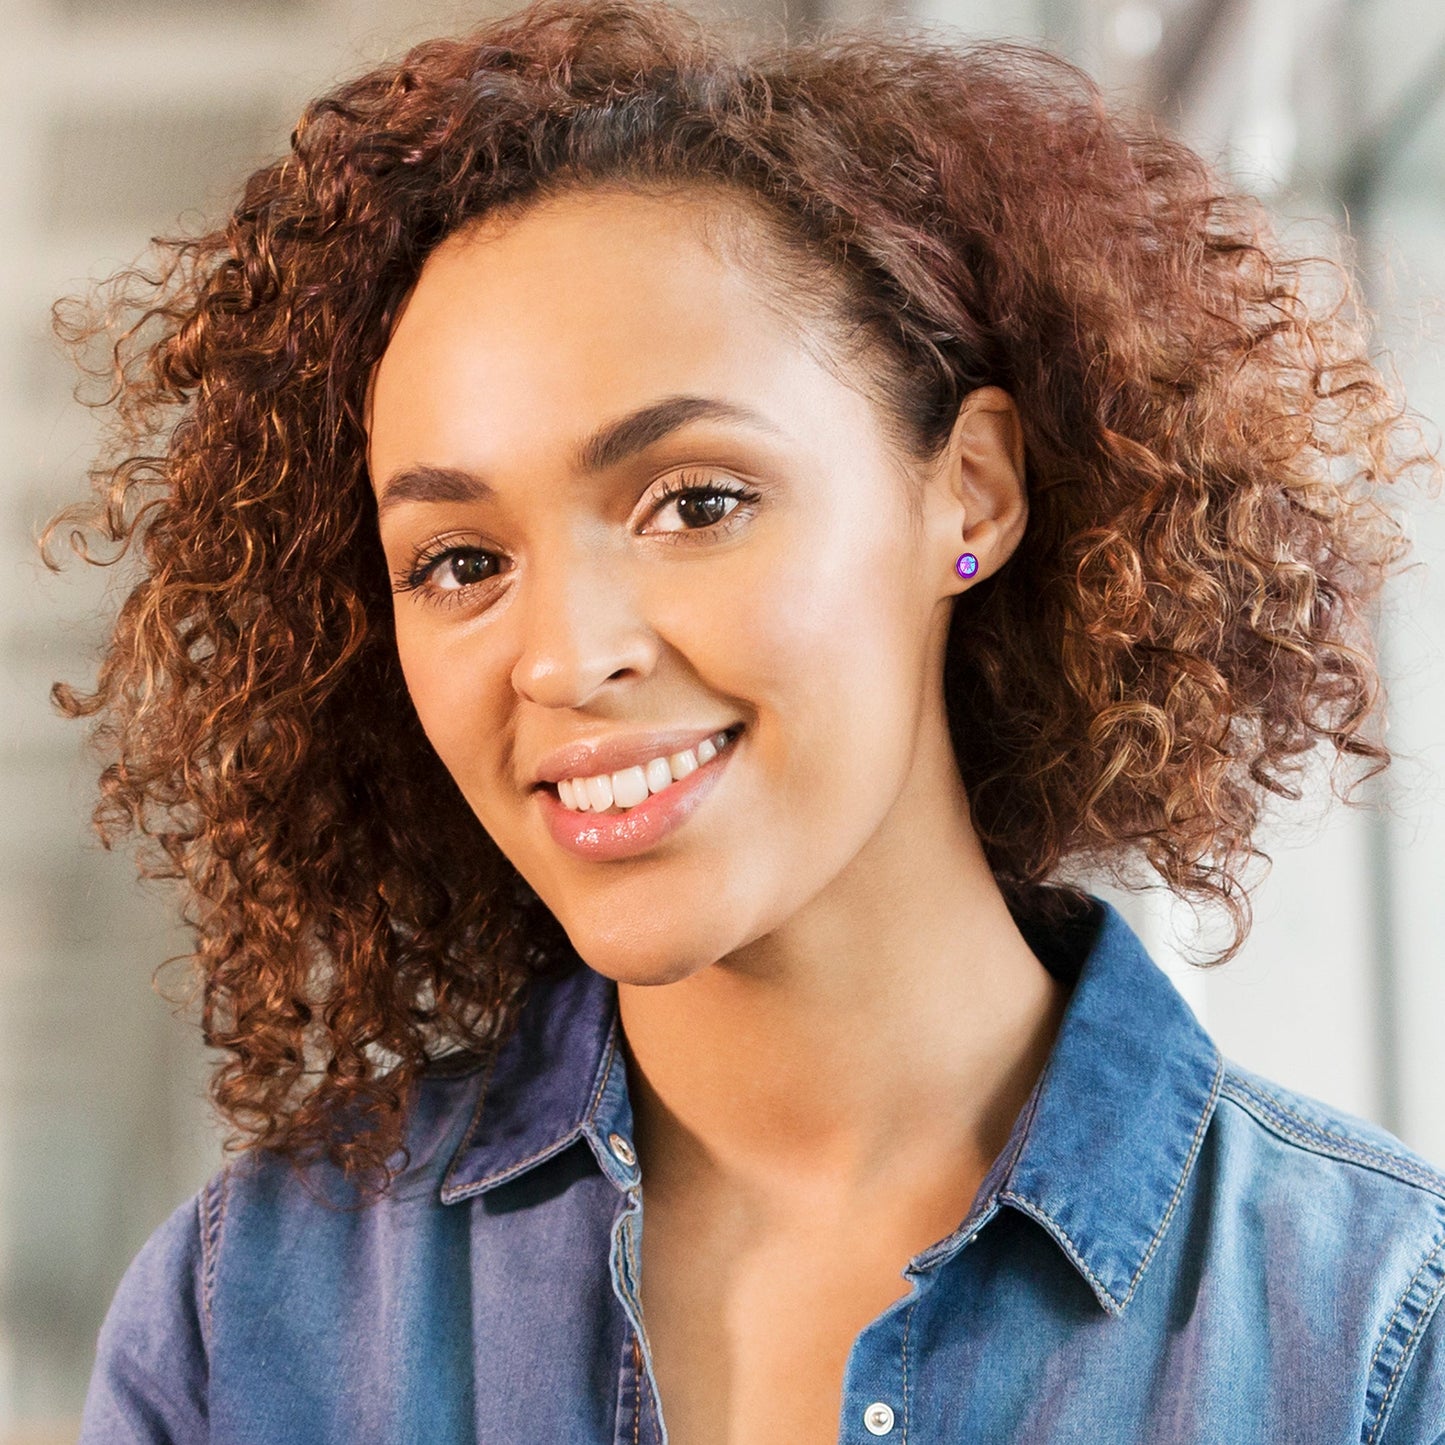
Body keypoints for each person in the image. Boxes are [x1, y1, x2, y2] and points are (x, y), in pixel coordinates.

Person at [52, 0, 1445, 1439]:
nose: (562, 659)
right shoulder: (252, 1317)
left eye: (695, 503)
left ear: (967, 490)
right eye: (461, 562)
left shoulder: (1366, 1331)